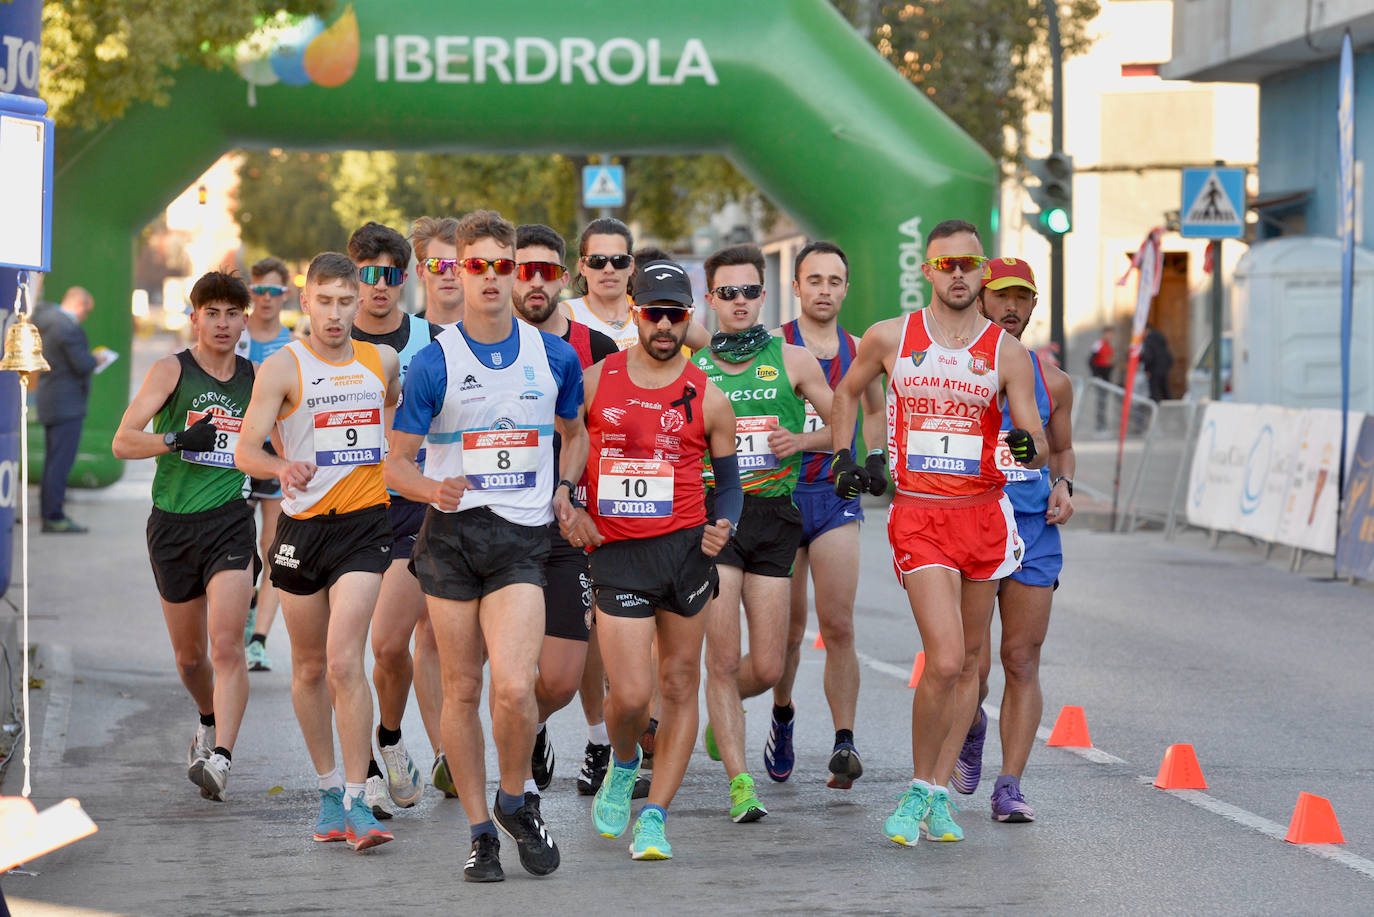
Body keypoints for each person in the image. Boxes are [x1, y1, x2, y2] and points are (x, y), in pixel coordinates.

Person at [828, 219, 1046, 846]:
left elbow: (1028, 435)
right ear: (927, 271)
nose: (957, 275)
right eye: (945, 265)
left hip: (982, 514)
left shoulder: (1007, 353)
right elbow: (846, 393)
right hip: (920, 515)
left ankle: (939, 790)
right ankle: (920, 790)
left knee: (971, 666)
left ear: (982, 272)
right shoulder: (891, 336)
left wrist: (1024, 447)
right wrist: (849, 457)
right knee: (945, 658)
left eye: (968, 265)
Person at [384, 209, 585, 882]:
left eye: (507, 266)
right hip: (451, 539)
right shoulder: (433, 363)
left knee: (516, 686)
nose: (495, 277)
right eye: (480, 266)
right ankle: (480, 832)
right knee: (464, 689)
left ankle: (514, 796)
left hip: (522, 538)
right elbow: (395, 465)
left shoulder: (553, 354)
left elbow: (575, 431)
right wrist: (426, 490)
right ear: (458, 272)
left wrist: (565, 484)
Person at [570, 256, 741, 859]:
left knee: (678, 683)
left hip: (685, 552)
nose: (664, 326)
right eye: (653, 314)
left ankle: (657, 815)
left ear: (687, 318)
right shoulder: (596, 381)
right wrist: (571, 503)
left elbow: (731, 483)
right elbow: (568, 449)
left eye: (675, 315)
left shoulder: (709, 396)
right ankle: (622, 763)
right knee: (633, 695)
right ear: (636, 315)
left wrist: (725, 527)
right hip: (617, 552)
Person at [235, 251, 402, 852]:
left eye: (345, 302)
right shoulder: (282, 367)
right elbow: (245, 450)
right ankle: (329, 790)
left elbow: (393, 414)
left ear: (360, 303)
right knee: (307, 667)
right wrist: (282, 465)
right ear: (304, 302)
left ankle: (360, 800)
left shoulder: (380, 360)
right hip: (301, 534)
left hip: (364, 524)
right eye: (323, 302)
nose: (335, 314)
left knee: (341, 661)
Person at [694, 243, 836, 823]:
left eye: (750, 291)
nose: (740, 302)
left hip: (777, 517)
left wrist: (800, 442)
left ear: (764, 295)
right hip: (715, 517)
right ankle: (740, 781)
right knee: (723, 661)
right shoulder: (690, 364)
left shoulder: (794, 360)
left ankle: (718, 712)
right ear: (710, 300)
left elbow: (844, 424)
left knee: (770, 666)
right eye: (727, 293)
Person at [112, 271, 259, 801]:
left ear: (246, 319)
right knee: (190, 658)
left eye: (232, 314)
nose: (222, 324)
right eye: (212, 313)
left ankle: (221, 757)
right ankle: (207, 716)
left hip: (230, 521)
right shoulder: (171, 370)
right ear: (194, 317)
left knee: (225, 644)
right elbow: (123, 443)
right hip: (172, 525)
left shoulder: (257, 377)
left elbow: (289, 439)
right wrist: (176, 438)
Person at [950, 256, 1076, 823]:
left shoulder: (1053, 382)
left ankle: (1010, 785)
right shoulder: (958, 371)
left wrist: (1065, 484)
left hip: (1033, 531)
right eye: (1001, 296)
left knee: (1021, 659)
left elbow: (1063, 447)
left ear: (1033, 307)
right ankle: (970, 725)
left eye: (1022, 298)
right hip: (973, 527)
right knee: (969, 667)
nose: (1011, 307)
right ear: (980, 300)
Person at [766, 241, 887, 790]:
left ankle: (844, 742)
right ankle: (783, 716)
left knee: (838, 625)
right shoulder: (773, 348)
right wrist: (808, 441)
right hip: (781, 497)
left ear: (845, 289)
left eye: (834, 282)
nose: (824, 291)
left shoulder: (861, 349)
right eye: (813, 280)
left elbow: (871, 414)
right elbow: (767, 429)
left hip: (835, 498)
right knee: (789, 632)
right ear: (795, 287)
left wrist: (875, 457)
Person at [346, 222, 451, 818]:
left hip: (411, 505)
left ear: (403, 278)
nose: (377, 286)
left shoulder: (433, 341)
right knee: (344, 653)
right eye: (366, 274)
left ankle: (389, 736)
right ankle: (366, 765)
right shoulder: (331, 337)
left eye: (389, 274)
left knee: (388, 645)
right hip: (347, 508)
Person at [512, 223, 618, 797]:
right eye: (522, 269)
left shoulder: (595, 349)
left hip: (568, 522)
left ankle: (536, 722)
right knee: (505, 665)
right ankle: (509, 783)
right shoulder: (475, 346)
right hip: (500, 522)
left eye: (546, 271)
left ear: (564, 277)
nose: (534, 281)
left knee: (559, 676)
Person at [239, 257, 296, 672]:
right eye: (258, 290)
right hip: (236, 458)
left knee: (273, 551)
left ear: (286, 295)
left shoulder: (293, 344)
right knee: (239, 551)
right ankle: (242, 610)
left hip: (278, 457)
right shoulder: (235, 336)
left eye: (273, 292)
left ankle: (258, 641)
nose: (265, 299)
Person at [36, 287, 98, 533]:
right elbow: (82, 364)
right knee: (60, 463)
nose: (84, 316)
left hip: (50, 398)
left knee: (52, 462)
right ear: (80, 306)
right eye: (86, 312)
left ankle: (48, 512)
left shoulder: (47, 318)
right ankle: (54, 516)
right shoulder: (68, 327)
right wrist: (97, 360)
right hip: (67, 404)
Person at [412, 215, 464, 326]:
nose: (449, 275)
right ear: (421, 272)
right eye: (437, 265)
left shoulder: (494, 336)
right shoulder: (401, 337)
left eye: (457, 265)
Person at [1142, 323, 1173, 402]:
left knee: (1154, 392)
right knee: (1165, 390)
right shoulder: (1160, 339)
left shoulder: (1148, 340)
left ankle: (1155, 410)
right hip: (1163, 369)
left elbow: (1148, 357)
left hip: (1154, 370)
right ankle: (1171, 407)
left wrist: (1146, 367)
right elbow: (1168, 355)